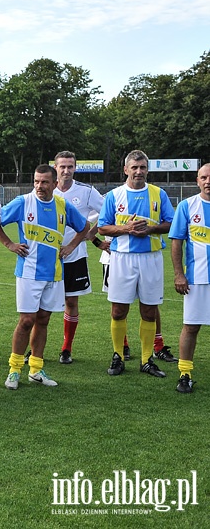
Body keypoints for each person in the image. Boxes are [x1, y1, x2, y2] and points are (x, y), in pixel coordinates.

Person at [0, 164, 88, 389]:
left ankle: (36, 369)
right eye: (36, 181)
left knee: (44, 320)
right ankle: (15, 369)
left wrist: (70, 247)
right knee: (26, 320)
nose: (39, 186)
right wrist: (9, 243)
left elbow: (84, 227)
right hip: (28, 273)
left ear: (55, 184)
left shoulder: (62, 205)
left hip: (55, 273)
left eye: (44, 182)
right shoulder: (23, 202)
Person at [97, 150, 174, 378]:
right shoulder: (114, 195)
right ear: (126, 170)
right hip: (121, 258)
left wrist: (150, 229)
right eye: (134, 167)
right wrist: (126, 229)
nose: (138, 171)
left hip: (151, 258)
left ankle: (146, 359)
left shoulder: (159, 194)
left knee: (149, 310)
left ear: (147, 170)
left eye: (142, 167)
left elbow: (171, 223)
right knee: (118, 310)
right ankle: (118, 356)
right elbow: (102, 227)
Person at [51, 151, 109, 364]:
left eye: (70, 166)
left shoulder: (86, 191)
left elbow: (107, 213)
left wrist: (91, 237)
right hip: (47, 257)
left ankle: (66, 347)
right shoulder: (45, 187)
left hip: (74, 256)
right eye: (62, 166)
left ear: (75, 168)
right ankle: (35, 348)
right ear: (55, 168)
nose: (66, 171)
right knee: (41, 304)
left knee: (70, 301)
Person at [169, 163, 210, 393]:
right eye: (203, 177)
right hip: (196, 278)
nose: (208, 182)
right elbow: (177, 242)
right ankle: (185, 374)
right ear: (197, 181)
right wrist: (178, 274)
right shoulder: (187, 206)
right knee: (191, 327)